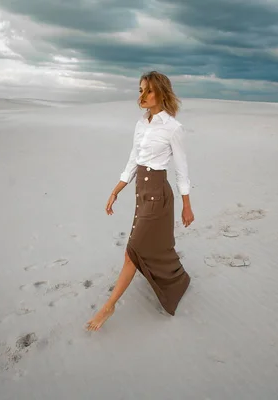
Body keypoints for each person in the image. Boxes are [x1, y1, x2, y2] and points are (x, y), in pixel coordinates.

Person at [86, 71, 194, 331]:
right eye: (140, 90)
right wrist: (117, 189)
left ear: (161, 93)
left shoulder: (173, 128)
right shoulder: (140, 125)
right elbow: (134, 159)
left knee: (132, 250)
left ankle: (109, 306)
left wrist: (187, 205)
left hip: (158, 193)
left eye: (148, 91)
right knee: (150, 247)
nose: (142, 96)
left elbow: (182, 169)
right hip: (141, 192)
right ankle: (178, 279)